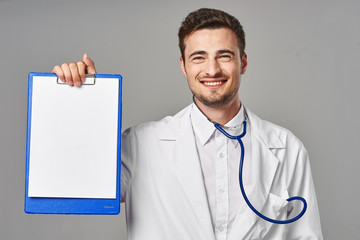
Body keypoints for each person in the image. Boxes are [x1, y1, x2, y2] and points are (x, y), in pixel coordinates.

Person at [52, 8, 323, 240]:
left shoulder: (286, 148)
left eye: (224, 56)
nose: (212, 69)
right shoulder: (140, 144)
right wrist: (85, 100)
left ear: (243, 63)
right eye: (199, 57)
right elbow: (80, 186)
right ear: (183, 65)